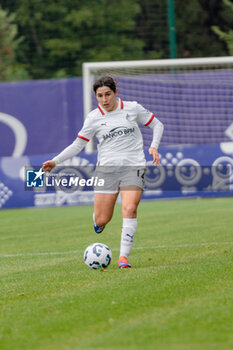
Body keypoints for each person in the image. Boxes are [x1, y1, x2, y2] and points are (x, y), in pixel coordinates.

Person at [42, 76, 164, 269]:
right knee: (102, 219)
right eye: (100, 96)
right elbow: (78, 144)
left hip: (134, 166)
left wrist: (154, 146)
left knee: (130, 209)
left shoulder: (132, 108)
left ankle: (123, 257)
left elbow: (157, 124)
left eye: (108, 94)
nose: (105, 99)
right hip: (106, 170)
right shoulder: (93, 118)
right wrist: (55, 161)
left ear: (115, 93)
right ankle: (98, 221)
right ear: (96, 97)